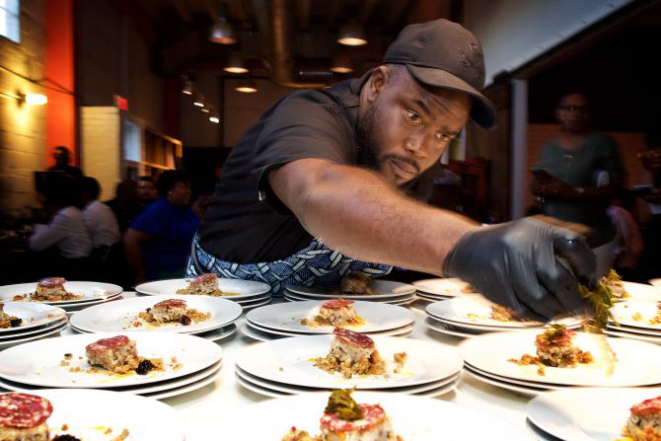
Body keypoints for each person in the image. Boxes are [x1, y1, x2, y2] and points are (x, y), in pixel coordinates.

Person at [191, 19, 597, 320]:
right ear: (377, 85)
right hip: (223, 310)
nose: (420, 149)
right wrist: (469, 244)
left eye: (444, 136)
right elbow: (319, 189)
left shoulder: (407, 156)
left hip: (323, 323)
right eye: (415, 116)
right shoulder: (309, 113)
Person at [124, 170, 199, 282]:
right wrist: (141, 275)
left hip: (185, 271)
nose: (189, 191)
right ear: (169, 189)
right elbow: (130, 240)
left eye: (189, 188)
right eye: (184, 187)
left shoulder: (185, 210)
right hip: (164, 275)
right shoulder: (158, 210)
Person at [28, 174, 92, 278]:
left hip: (75, 269)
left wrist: (42, 211)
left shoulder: (66, 215)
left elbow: (35, 245)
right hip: (81, 265)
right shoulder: (73, 211)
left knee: (32, 266)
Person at [80, 177, 121, 251]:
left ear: (84, 194)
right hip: (111, 253)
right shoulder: (102, 207)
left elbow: (81, 237)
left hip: (101, 255)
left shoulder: (90, 211)